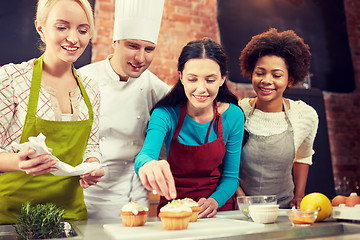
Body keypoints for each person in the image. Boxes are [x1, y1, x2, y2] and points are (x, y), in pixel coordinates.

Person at [0, 0, 104, 224]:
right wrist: (19, 161)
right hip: (12, 218)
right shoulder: (12, 79)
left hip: (70, 217)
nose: (74, 38)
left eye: (83, 30)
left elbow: (91, 145)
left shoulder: (90, 87)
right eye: (62, 27)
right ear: (41, 28)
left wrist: (92, 165)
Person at [78, 0, 170, 219]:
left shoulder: (157, 88)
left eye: (149, 49)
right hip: (87, 200)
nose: (141, 58)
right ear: (115, 42)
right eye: (132, 46)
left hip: (137, 202)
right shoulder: (82, 79)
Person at [135, 38, 245, 219]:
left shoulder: (233, 116)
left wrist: (213, 202)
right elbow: (145, 155)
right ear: (181, 77)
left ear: (222, 79)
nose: (201, 89)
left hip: (218, 211)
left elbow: (231, 178)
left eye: (210, 80)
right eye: (192, 79)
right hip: (174, 210)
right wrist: (147, 164)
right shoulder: (165, 114)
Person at [236, 28, 319, 208]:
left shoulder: (305, 115)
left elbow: (303, 157)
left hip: (284, 208)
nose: (266, 80)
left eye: (276, 75)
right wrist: (241, 201)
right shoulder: (237, 112)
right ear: (251, 73)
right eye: (260, 73)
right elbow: (225, 163)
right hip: (242, 209)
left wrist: (299, 196)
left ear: (290, 80)